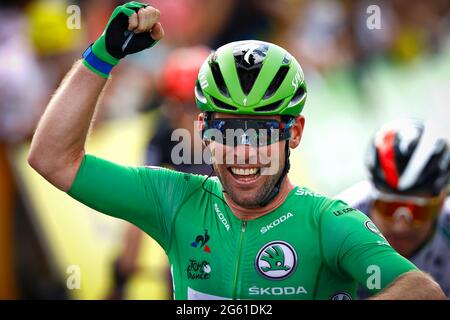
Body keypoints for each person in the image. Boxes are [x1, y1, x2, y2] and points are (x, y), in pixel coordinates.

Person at [28, 2, 445, 300]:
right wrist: (102, 56)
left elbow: (421, 289)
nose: (244, 154)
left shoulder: (327, 220)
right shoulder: (176, 199)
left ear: (295, 132)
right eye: (229, 131)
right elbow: (52, 159)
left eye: (262, 133)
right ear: (205, 132)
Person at [107, 45, 212, 299]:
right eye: (173, 105)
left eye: (187, 108)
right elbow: (141, 202)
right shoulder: (164, 132)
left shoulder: (228, 137)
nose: (177, 115)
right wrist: (121, 276)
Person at [337, 119, 450, 298]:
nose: (401, 226)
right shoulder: (334, 225)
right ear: (371, 196)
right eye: (389, 207)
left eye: (417, 210)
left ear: (442, 201)